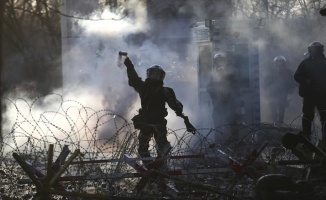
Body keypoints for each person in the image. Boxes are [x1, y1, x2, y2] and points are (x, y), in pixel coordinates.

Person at [123, 56, 183, 166]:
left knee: (163, 147)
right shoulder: (143, 87)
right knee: (142, 147)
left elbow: (173, 102)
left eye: (157, 74)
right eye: (153, 73)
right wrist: (130, 66)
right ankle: (149, 166)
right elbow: (134, 80)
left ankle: (161, 166)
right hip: (146, 122)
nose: (155, 76)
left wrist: (178, 107)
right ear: (149, 74)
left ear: (161, 76)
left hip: (159, 122)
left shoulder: (165, 91)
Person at [294, 41, 326, 142]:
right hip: (310, 95)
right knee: (308, 117)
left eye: (316, 50)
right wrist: (308, 81)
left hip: (322, 95)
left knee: (324, 117)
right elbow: (297, 76)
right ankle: (306, 139)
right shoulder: (305, 63)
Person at [207, 52, 242, 134]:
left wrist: (228, 93)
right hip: (218, 105)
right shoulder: (213, 74)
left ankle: (234, 144)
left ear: (225, 61)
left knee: (233, 125)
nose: (219, 62)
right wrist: (215, 92)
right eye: (217, 61)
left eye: (221, 60)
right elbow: (208, 88)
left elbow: (236, 88)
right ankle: (220, 143)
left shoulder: (232, 73)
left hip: (230, 105)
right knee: (218, 125)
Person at [263, 55, 295, 123]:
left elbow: (291, 82)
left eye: (281, 62)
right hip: (273, 92)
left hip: (283, 92)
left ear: (284, 63)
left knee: (281, 107)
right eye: (278, 62)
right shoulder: (271, 72)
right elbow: (266, 82)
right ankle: (275, 121)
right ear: (275, 63)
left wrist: (290, 90)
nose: (279, 64)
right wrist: (267, 90)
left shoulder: (288, 72)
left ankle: (280, 121)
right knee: (273, 107)